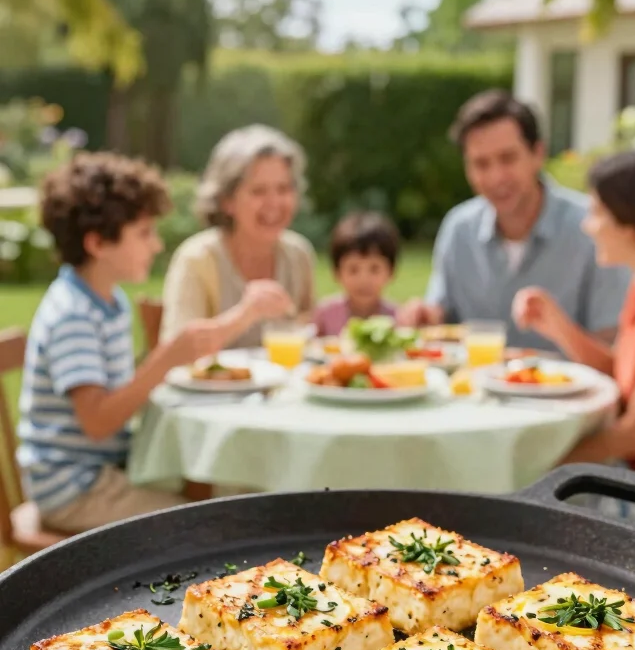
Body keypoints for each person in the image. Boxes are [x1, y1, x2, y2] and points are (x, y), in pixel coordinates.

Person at [18, 151, 291, 535]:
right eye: (144, 233)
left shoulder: (107, 301)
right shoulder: (73, 314)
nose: (156, 245)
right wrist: (164, 361)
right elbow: (97, 421)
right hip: (75, 490)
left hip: (104, 471)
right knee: (208, 522)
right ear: (97, 242)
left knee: (227, 488)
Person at [513, 147, 635, 515]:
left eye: (597, 213)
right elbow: (620, 372)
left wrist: (551, 465)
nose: (588, 225)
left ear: (631, 227)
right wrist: (557, 325)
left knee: (526, 511)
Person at [398, 90, 630, 351]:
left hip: (568, 390)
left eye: (508, 158)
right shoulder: (458, 228)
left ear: (537, 154)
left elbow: (614, 352)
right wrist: (425, 317)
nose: (496, 178)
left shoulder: (595, 228)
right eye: (481, 164)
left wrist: (560, 329)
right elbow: (441, 319)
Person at [160, 125, 315, 345]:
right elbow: (176, 352)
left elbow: (308, 332)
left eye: (283, 189)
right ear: (227, 201)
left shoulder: (298, 255)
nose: (274, 204)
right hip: (211, 381)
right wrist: (245, 315)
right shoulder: (198, 259)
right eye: (258, 191)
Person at [313, 212, 399, 337]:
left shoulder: (397, 318)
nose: (364, 280)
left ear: (391, 271)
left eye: (374, 269)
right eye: (353, 270)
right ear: (337, 273)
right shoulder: (325, 314)